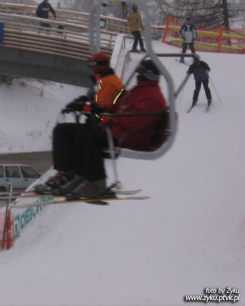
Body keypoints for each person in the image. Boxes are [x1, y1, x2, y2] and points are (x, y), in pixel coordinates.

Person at [66, 59, 167, 199]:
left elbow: (136, 122)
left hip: (134, 137)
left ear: (148, 74)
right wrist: (96, 107)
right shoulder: (139, 89)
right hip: (122, 130)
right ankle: (83, 175)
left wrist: (112, 119)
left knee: (93, 138)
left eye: (140, 72)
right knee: (84, 132)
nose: (138, 74)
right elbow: (118, 106)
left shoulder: (152, 96)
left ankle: (97, 184)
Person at [35, 53, 124, 195]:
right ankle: (67, 171)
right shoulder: (102, 81)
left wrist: (82, 106)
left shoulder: (109, 83)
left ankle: (71, 173)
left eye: (92, 65)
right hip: (96, 123)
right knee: (62, 130)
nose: (90, 68)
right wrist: (83, 100)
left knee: (73, 133)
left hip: (102, 126)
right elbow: (96, 101)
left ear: (101, 66)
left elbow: (101, 108)